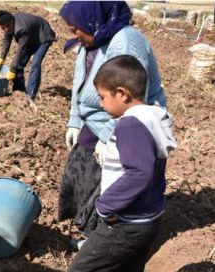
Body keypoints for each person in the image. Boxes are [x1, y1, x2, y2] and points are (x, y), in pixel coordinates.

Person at [58, 55, 177, 272]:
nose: (101, 103)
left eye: (102, 97)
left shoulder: (131, 126)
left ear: (123, 94)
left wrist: (105, 204)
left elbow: (139, 172)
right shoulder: (153, 116)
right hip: (148, 218)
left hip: (124, 223)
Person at [57, 1, 167, 248]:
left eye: (75, 29)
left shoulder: (126, 43)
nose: (73, 34)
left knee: (107, 183)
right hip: (96, 117)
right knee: (80, 172)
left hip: (124, 122)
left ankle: (101, 240)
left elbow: (131, 98)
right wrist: (75, 119)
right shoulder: (93, 39)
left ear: (92, 21)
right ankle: (88, 229)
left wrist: (109, 137)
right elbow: (80, 81)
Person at [0, 10, 56, 101]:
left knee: (35, 63)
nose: (6, 29)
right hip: (31, 38)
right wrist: (2, 57)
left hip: (43, 37)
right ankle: (19, 91)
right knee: (18, 65)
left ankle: (30, 96)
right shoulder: (8, 24)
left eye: (8, 26)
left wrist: (12, 69)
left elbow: (21, 50)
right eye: (3, 28)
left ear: (12, 22)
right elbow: (7, 40)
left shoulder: (22, 28)